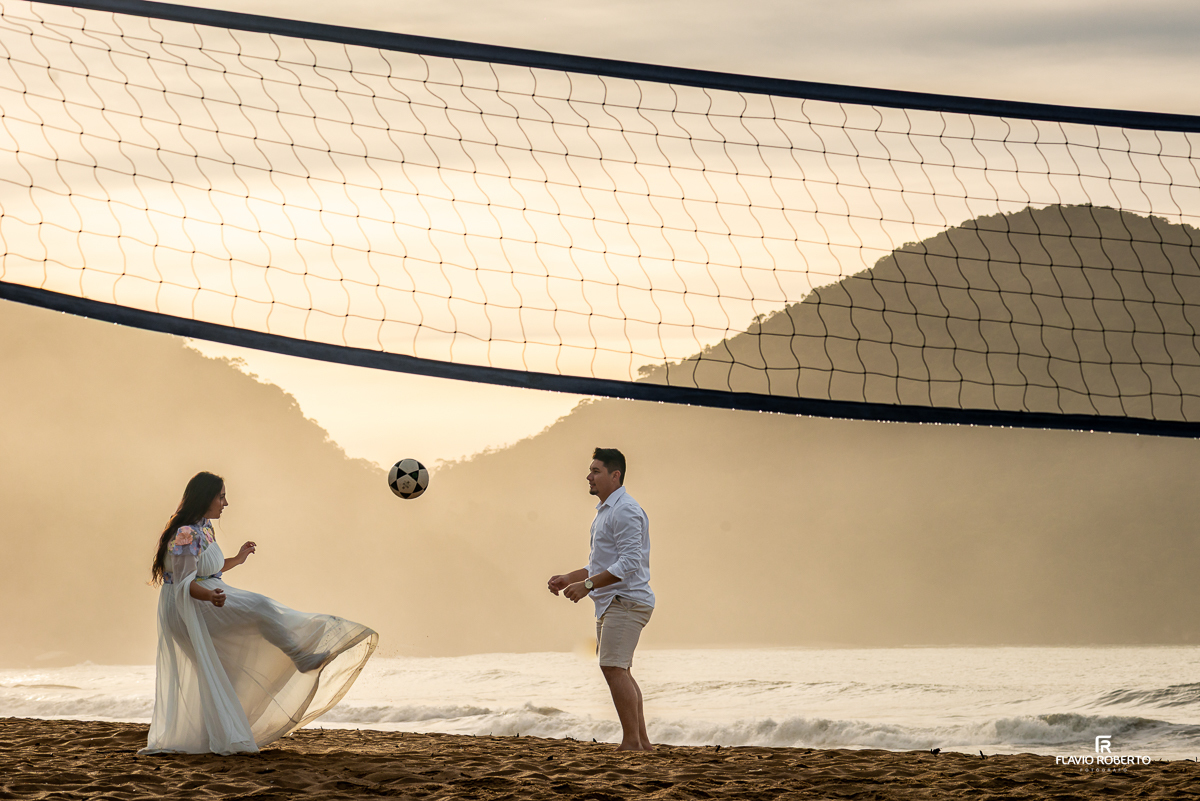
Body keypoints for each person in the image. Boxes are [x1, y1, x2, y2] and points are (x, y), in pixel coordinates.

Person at [141, 471, 377, 755]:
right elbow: (183, 584)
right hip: (190, 605)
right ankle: (300, 655)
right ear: (206, 498)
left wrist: (237, 559)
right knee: (261, 607)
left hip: (206, 596)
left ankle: (214, 736)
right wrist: (210, 595)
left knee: (228, 670)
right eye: (221, 497)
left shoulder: (204, 527)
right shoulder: (186, 533)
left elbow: (206, 569)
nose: (225, 504)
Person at [548, 448, 655, 751]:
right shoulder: (606, 511)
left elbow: (629, 563)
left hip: (627, 599)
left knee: (613, 668)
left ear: (614, 475)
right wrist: (570, 578)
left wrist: (587, 585)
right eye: (590, 470)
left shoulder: (625, 510)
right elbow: (600, 565)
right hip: (613, 601)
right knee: (619, 669)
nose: (588, 476)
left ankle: (632, 743)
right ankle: (643, 743)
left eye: (595, 471)